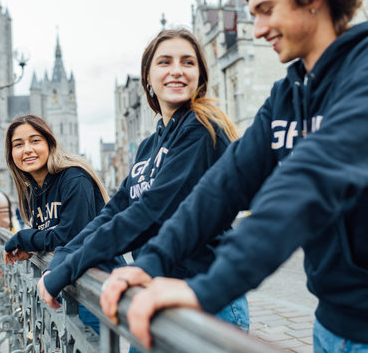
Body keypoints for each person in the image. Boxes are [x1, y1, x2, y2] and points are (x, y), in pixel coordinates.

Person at [100, 0, 368, 351]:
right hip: (329, 326)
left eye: (266, 10)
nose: (257, 30)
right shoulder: (289, 94)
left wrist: (205, 290)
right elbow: (224, 185)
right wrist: (155, 261)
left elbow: (308, 182)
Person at [36, 29, 250, 339]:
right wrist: (62, 256)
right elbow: (114, 211)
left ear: (199, 77)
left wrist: (66, 271)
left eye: (187, 62)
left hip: (204, 299)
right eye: (165, 62)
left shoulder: (201, 131)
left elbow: (150, 213)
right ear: (148, 78)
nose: (176, 70)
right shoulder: (149, 146)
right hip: (155, 298)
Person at [2, 114, 112, 334]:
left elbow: (70, 238)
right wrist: (34, 248)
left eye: (35, 141)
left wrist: (23, 238)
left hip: (95, 285)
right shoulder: (33, 190)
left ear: (50, 144)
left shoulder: (74, 178)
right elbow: (51, 234)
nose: (27, 150)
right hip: (66, 283)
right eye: (18, 144)